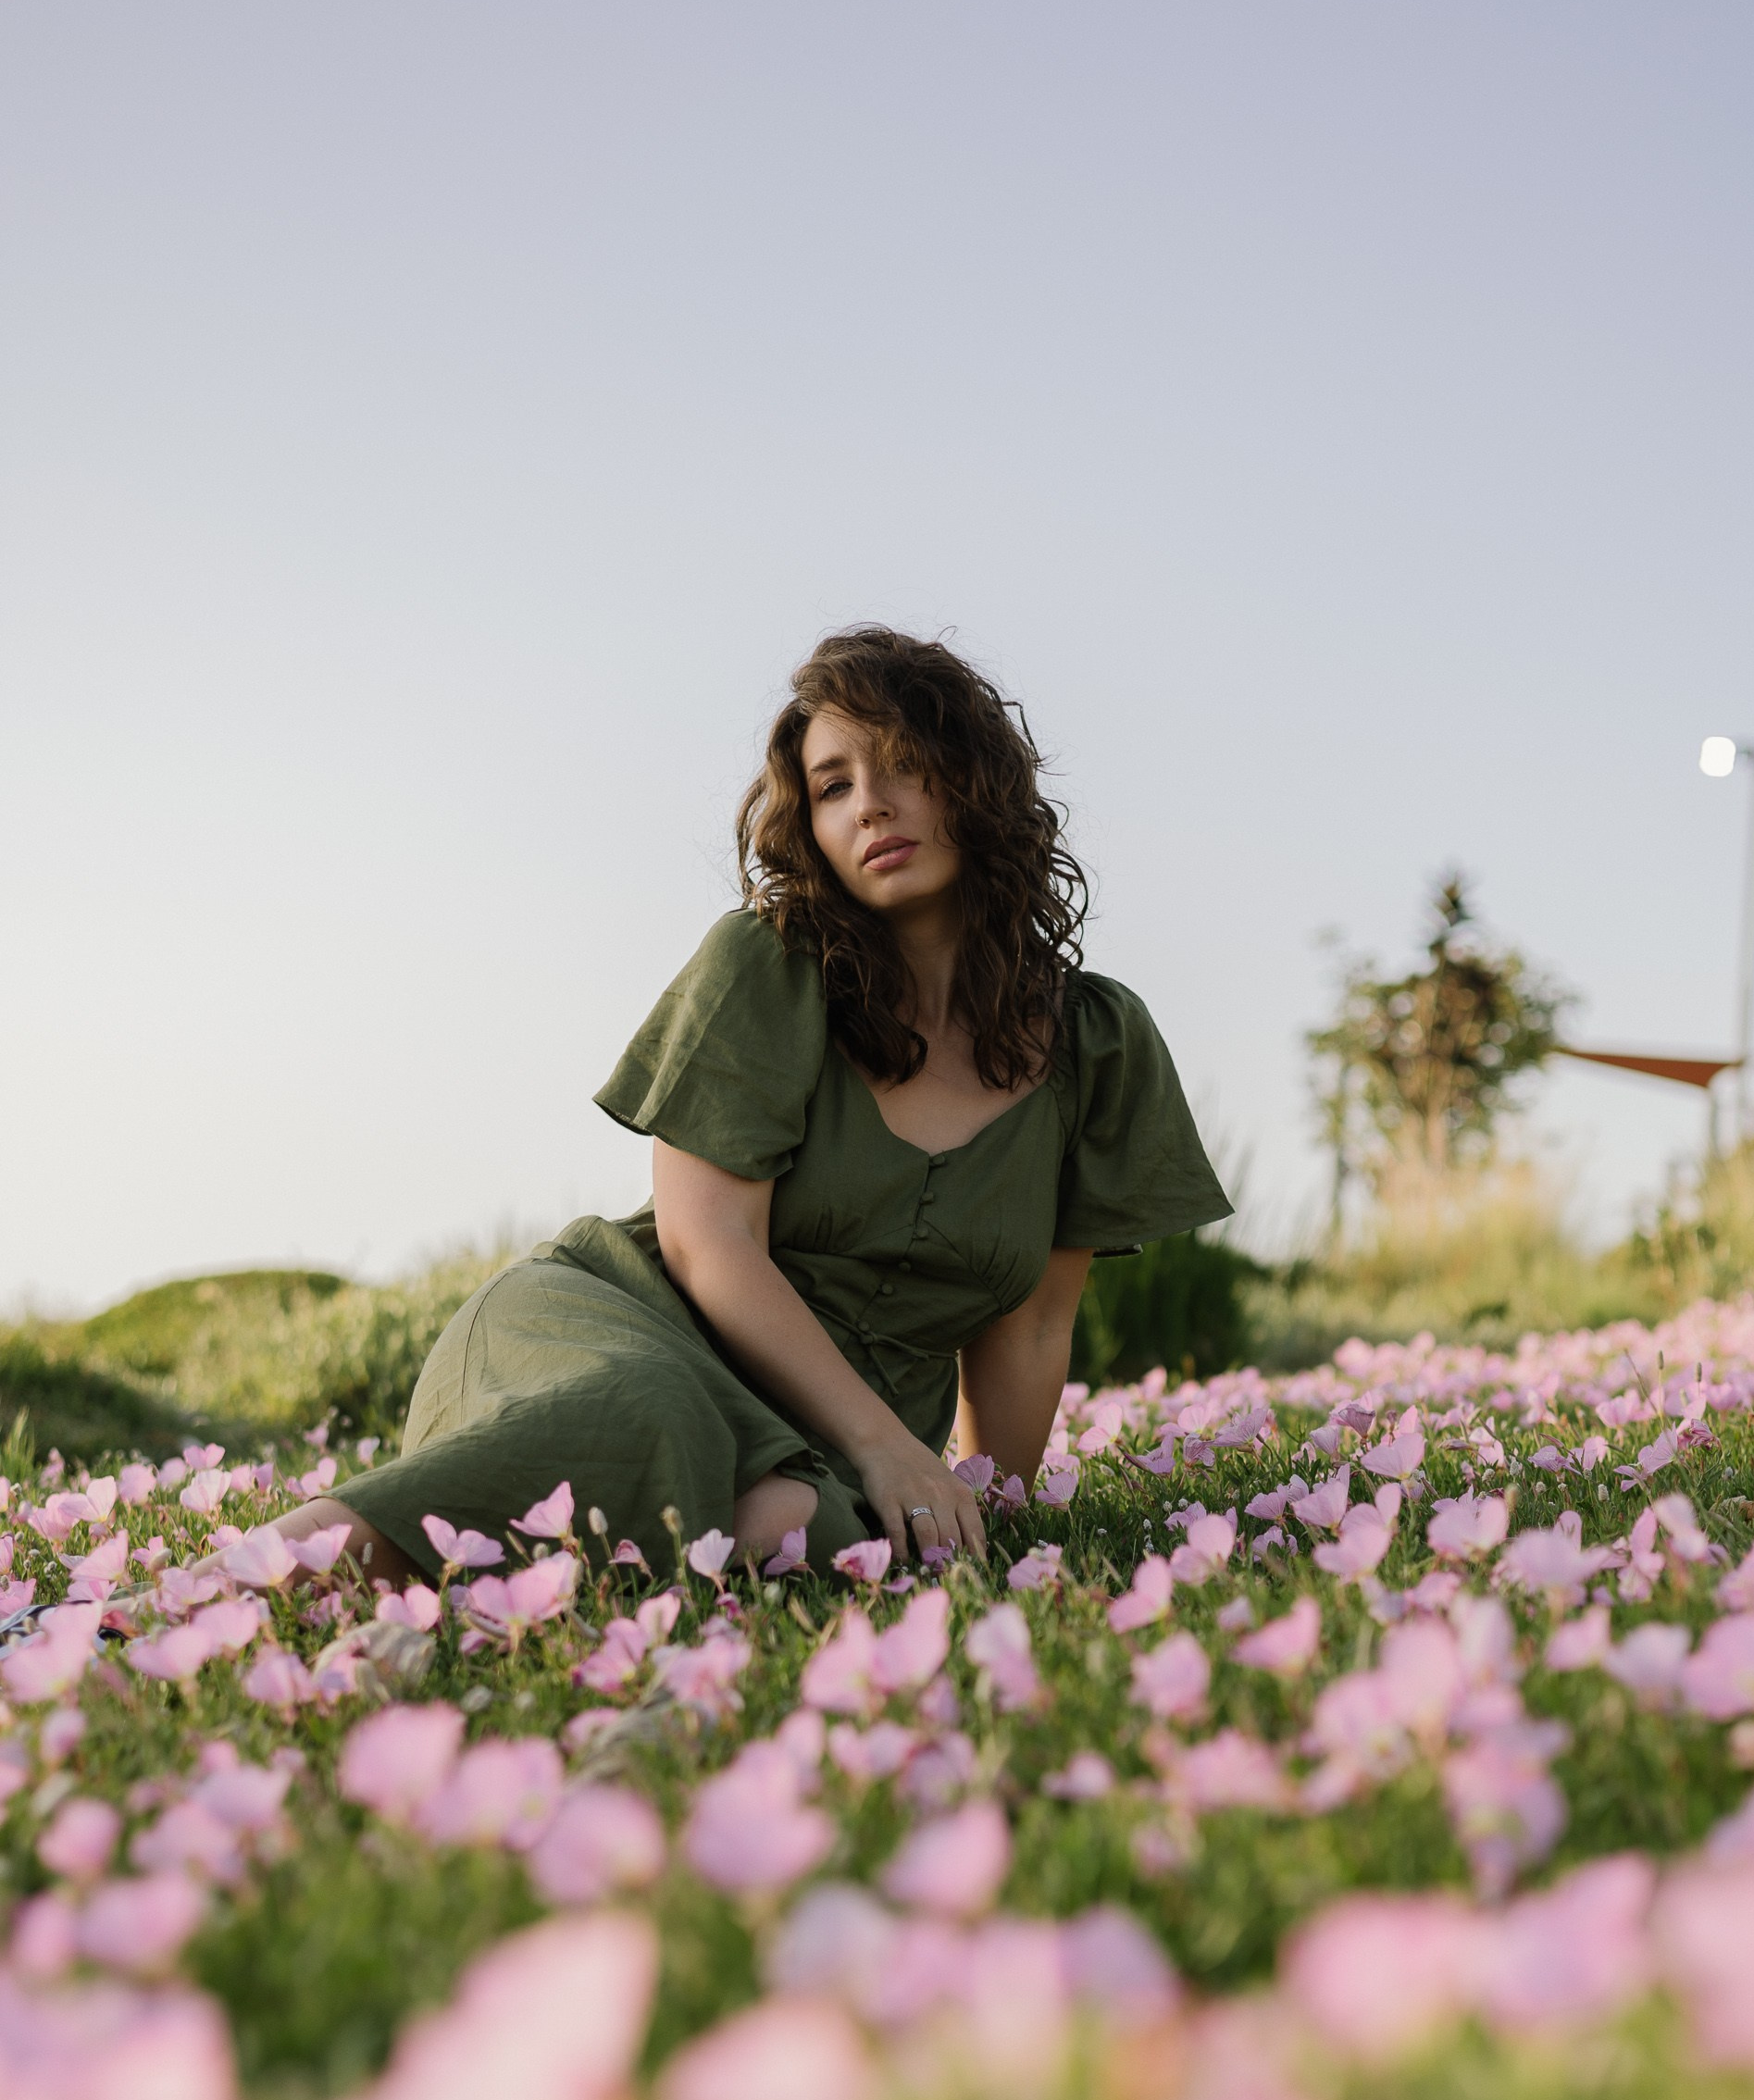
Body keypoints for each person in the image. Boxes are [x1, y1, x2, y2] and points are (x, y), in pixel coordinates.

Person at [287, 627, 1229, 1589]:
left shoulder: (1096, 1043)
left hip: (829, 1446)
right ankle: (269, 1570)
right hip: (619, 1331)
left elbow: (1030, 1329)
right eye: (833, 787)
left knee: (797, 1528)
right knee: (653, 1410)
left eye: (903, 763)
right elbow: (709, 1243)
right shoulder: (768, 966)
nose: (871, 805)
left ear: (976, 780)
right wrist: (884, 1446)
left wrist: (990, 1518)